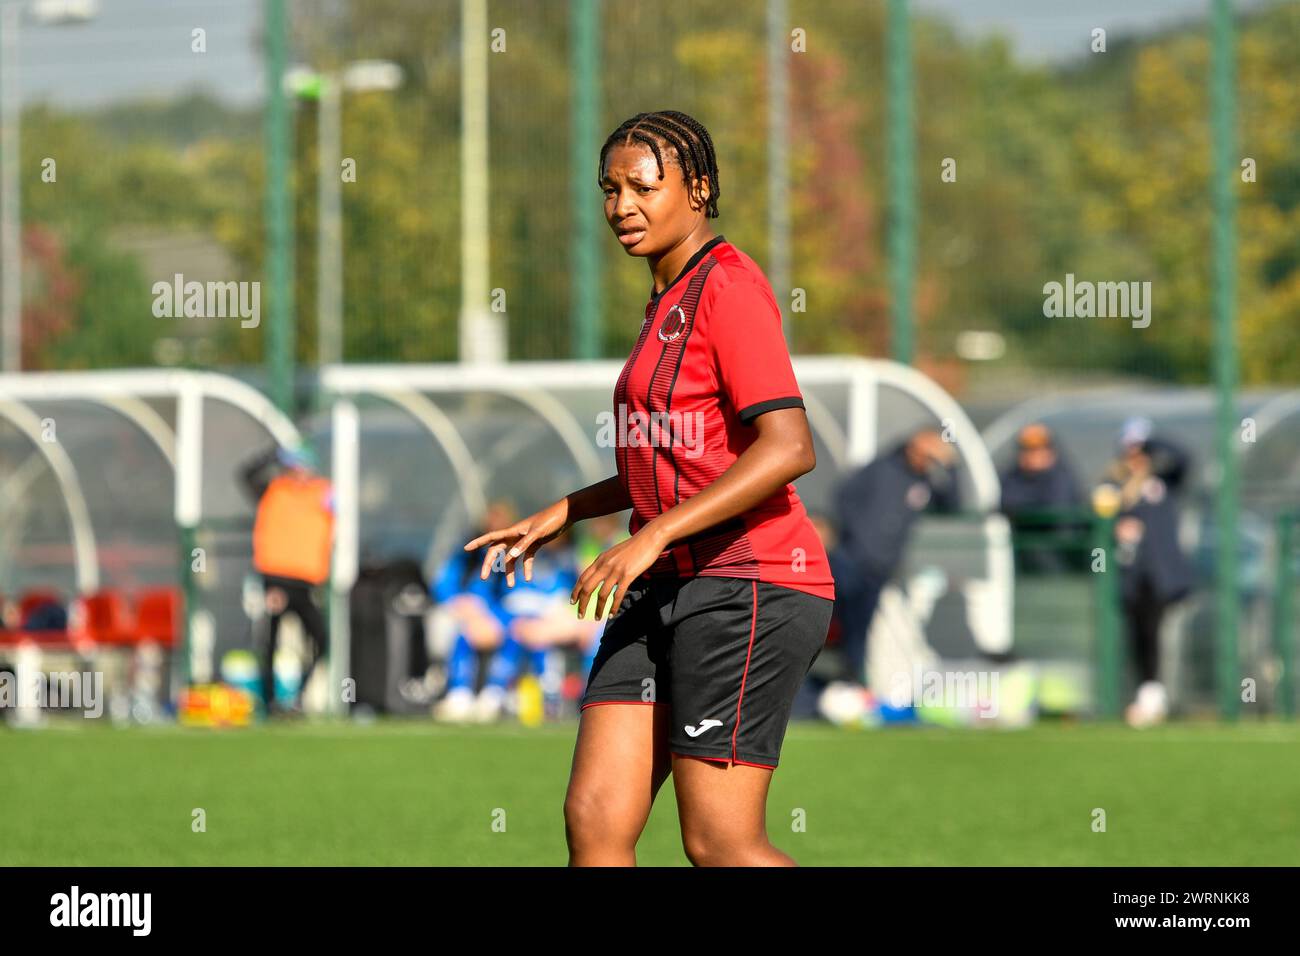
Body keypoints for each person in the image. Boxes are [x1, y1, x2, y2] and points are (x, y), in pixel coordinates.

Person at [465, 110, 834, 867]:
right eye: (610, 188)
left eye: (643, 186)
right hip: (658, 582)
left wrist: (654, 532)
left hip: (747, 583)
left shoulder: (728, 286)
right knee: (596, 826)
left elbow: (790, 447)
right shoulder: (662, 302)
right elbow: (672, 455)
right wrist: (567, 512)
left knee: (720, 844)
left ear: (698, 189)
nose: (621, 205)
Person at [830, 429, 959, 685]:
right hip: (850, 560)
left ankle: (849, 683)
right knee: (833, 623)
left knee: (860, 631)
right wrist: (856, 538)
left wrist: (950, 466)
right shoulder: (881, 469)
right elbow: (843, 496)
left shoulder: (926, 481)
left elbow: (952, 504)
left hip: (880, 569)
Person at [1093, 417, 1194, 728]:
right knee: (1138, 635)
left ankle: (1154, 694)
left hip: (1163, 577)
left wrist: (1153, 442)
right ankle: (1148, 693)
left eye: (1141, 450)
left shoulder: (1162, 481)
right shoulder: (1114, 486)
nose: (1136, 456)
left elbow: (1185, 457)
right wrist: (1116, 528)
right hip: (1130, 577)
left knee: (1155, 632)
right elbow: (1099, 521)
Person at [240, 442, 334, 716]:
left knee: (320, 639)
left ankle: (297, 697)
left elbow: (343, 509)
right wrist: (271, 452)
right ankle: (269, 702)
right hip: (275, 579)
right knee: (270, 641)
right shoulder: (274, 490)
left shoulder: (322, 492)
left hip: (306, 581)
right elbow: (246, 474)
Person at [431, 500, 518, 723]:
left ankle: (494, 694)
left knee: (515, 631)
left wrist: (493, 618)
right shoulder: (467, 556)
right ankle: (459, 694)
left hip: (500, 619)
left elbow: (517, 597)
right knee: (462, 632)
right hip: (466, 617)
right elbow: (443, 586)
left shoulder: (516, 556)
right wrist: (463, 607)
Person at [999, 423, 1085, 573]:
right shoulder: (1013, 476)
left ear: (1050, 451)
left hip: (1063, 556)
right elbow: (1007, 501)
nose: (1033, 455)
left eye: (1039, 449)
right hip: (1022, 555)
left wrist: (1026, 507)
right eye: (1027, 450)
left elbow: (1057, 510)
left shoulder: (1062, 476)